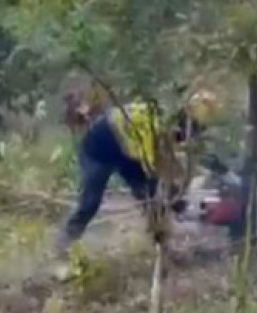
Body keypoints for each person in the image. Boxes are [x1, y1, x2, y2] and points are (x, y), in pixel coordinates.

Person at [55, 91, 217, 256]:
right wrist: (175, 195)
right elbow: (156, 166)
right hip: (99, 149)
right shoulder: (156, 127)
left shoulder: (166, 116)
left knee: (150, 193)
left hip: (126, 149)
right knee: (90, 203)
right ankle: (63, 244)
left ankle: (161, 246)